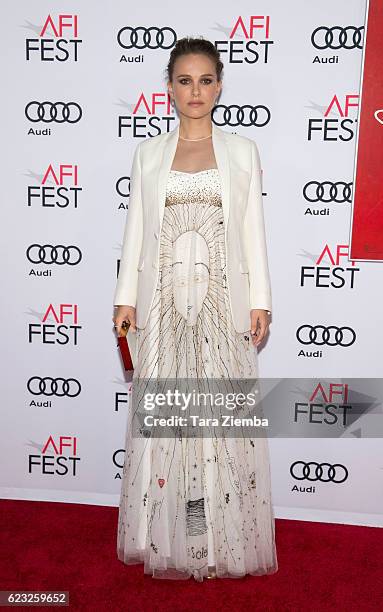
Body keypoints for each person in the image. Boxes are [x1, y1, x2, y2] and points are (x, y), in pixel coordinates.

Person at [112, 36, 278, 582]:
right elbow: (135, 232)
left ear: (220, 85)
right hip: (160, 310)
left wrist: (261, 301)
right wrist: (124, 300)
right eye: (185, 80)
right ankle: (163, 536)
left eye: (206, 80)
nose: (196, 90)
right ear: (169, 88)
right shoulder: (148, 154)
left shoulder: (242, 151)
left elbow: (253, 231)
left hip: (221, 305)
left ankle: (213, 540)